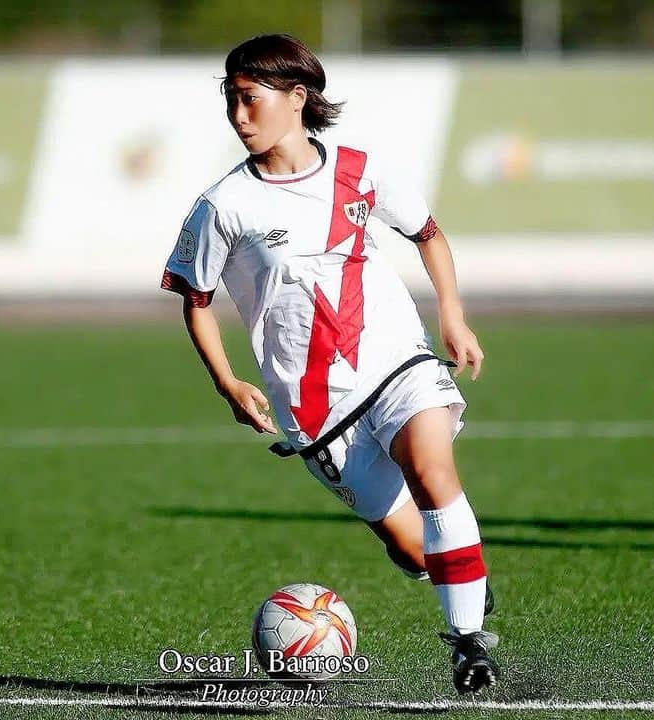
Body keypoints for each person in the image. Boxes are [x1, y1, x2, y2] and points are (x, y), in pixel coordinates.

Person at [160, 34, 499, 694]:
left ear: (297, 98)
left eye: (250, 99)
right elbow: (195, 301)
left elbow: (427, 234)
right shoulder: (223, 205)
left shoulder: (358, 170)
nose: (239, 116)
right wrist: (228, 380)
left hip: (396, 361)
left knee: (432, 470)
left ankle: (467, 644)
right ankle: (461, 582)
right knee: (411, 549)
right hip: (313, 408)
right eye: (231, 101)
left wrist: (452, 315)